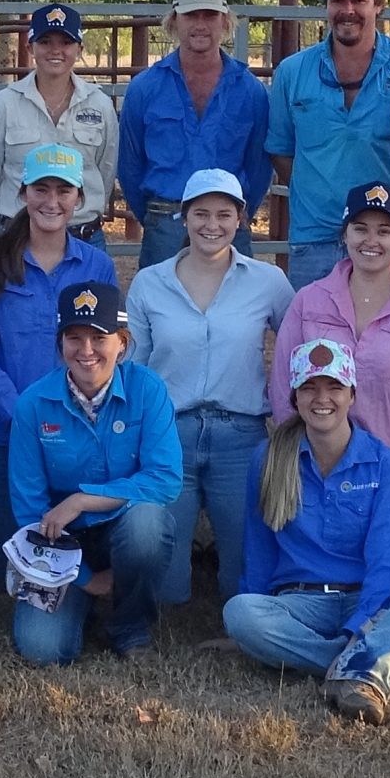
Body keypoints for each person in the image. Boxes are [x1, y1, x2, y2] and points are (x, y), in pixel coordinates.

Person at [226, 340, 390, 723]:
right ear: (294, 397)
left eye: (334, 387)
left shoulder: (384, 464)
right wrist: (246, 631)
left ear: (352, 394)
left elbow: (386, 560)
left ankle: (369, 652)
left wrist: (364, 624)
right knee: (240, 613)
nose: (322, 399)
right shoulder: (270, 458)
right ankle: (378, 659)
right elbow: (259, 548)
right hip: (301, 605)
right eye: (309, 388)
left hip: (367, 600)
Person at [0, 145, 117, 597]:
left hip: (72, 433)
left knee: (65, 554)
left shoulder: (96, 265)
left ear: (79, 198)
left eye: (64, 190)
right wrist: (27, 418)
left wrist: (63, 423)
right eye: (41, 188)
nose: (52, 201)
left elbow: (102, 353)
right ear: (22, 193)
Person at [124, 167, 295, 606]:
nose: (212, 225)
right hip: (170, 432)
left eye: (224, 214)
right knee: (167, 591)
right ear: (184, 217)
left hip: (240, 434)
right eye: (201, 213)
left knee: (244, 583)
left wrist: (289, 414)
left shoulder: (268, 282)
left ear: (241, 220)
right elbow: (135, 366)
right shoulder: (150, 283)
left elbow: (297, 349)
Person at [271, 182, 390, 555]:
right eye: (361, 228)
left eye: (384, 231)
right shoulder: (309, 301)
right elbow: (282, 390)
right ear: (345, 234)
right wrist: (309, 466)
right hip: (319, 470)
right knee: (323, 578)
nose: (372, 240)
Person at [5, 280, 183, 665]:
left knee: (148, 525)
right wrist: (86, 578)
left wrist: (81, 499)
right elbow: (28, 509)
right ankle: (81, 602)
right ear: (60, 342)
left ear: (122, 342)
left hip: (124, 525)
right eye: (74, 337)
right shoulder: (33, 404)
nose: (86, 351)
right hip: (58, 541)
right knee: (43, 649)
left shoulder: (147, 389)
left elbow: (166, 478)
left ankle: (130, 627)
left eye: (99, 338)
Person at [268, 0, 390, 288]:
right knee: (314, 338)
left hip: (384, 238)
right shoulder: (292, 72)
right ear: (326, 5)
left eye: (359, 0)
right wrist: (318, 189)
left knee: (386, 336)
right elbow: (281, 150)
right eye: (338, 0)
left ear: (379, 5)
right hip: (315, 239)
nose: (347, 9)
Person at [117, 0, 272, 266]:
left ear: (225, 21)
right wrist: (156, 214)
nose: (200, 25)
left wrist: (234, 213)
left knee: (235, 311)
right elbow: (130, 167)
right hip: (165, 222)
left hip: (229, 224)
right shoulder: (144, 89)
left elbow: (258, 167)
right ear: (175, 20)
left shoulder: (250, 91)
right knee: (163, 311)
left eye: (209, 15)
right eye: (191, 15)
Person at [0, 2, 118, 238]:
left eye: (65, 42)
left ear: (79, 48)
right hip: (19, 235)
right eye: (45, 42)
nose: (55, 50)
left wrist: (86, 212)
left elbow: (106, 170)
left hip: (83, 236)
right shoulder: (3, 105)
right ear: (30, 47)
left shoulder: (100, 105)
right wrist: (0, 235)